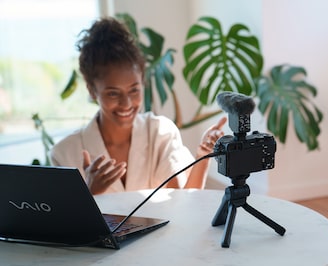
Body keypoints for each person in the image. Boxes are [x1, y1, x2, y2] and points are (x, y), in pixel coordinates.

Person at [50, 17, 226, 195]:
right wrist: (90, 193)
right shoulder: (65, 153)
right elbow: (66, 223)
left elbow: (183, 204)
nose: (126, 104)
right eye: (113, 93)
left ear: (142, 82)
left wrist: (204, 155)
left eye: (134, 90)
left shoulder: (160, 132)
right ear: (92, 90)